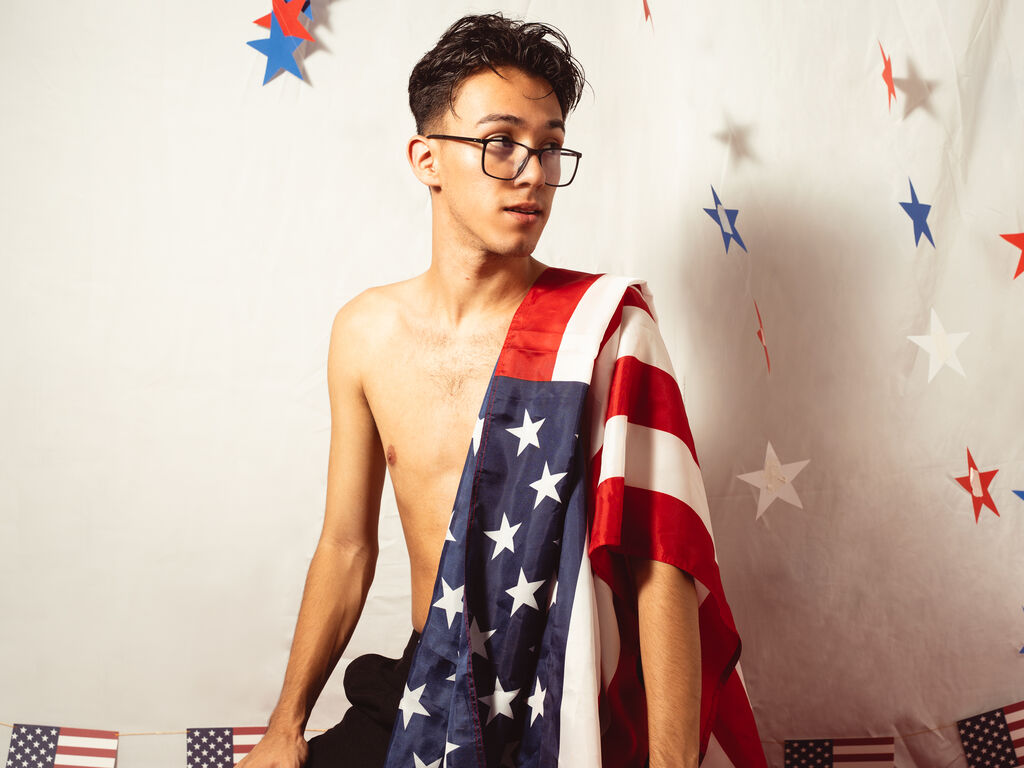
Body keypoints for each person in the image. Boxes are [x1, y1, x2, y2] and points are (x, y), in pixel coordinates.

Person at [239, 13, 764, 768]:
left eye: (549, 147)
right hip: (430, 678)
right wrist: (283, 727)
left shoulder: (605, 332)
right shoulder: (365, 332)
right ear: (426, 159)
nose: (533, 173)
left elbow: (661, 565)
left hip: (566, 689)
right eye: (500, 142)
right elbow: (347, 546)